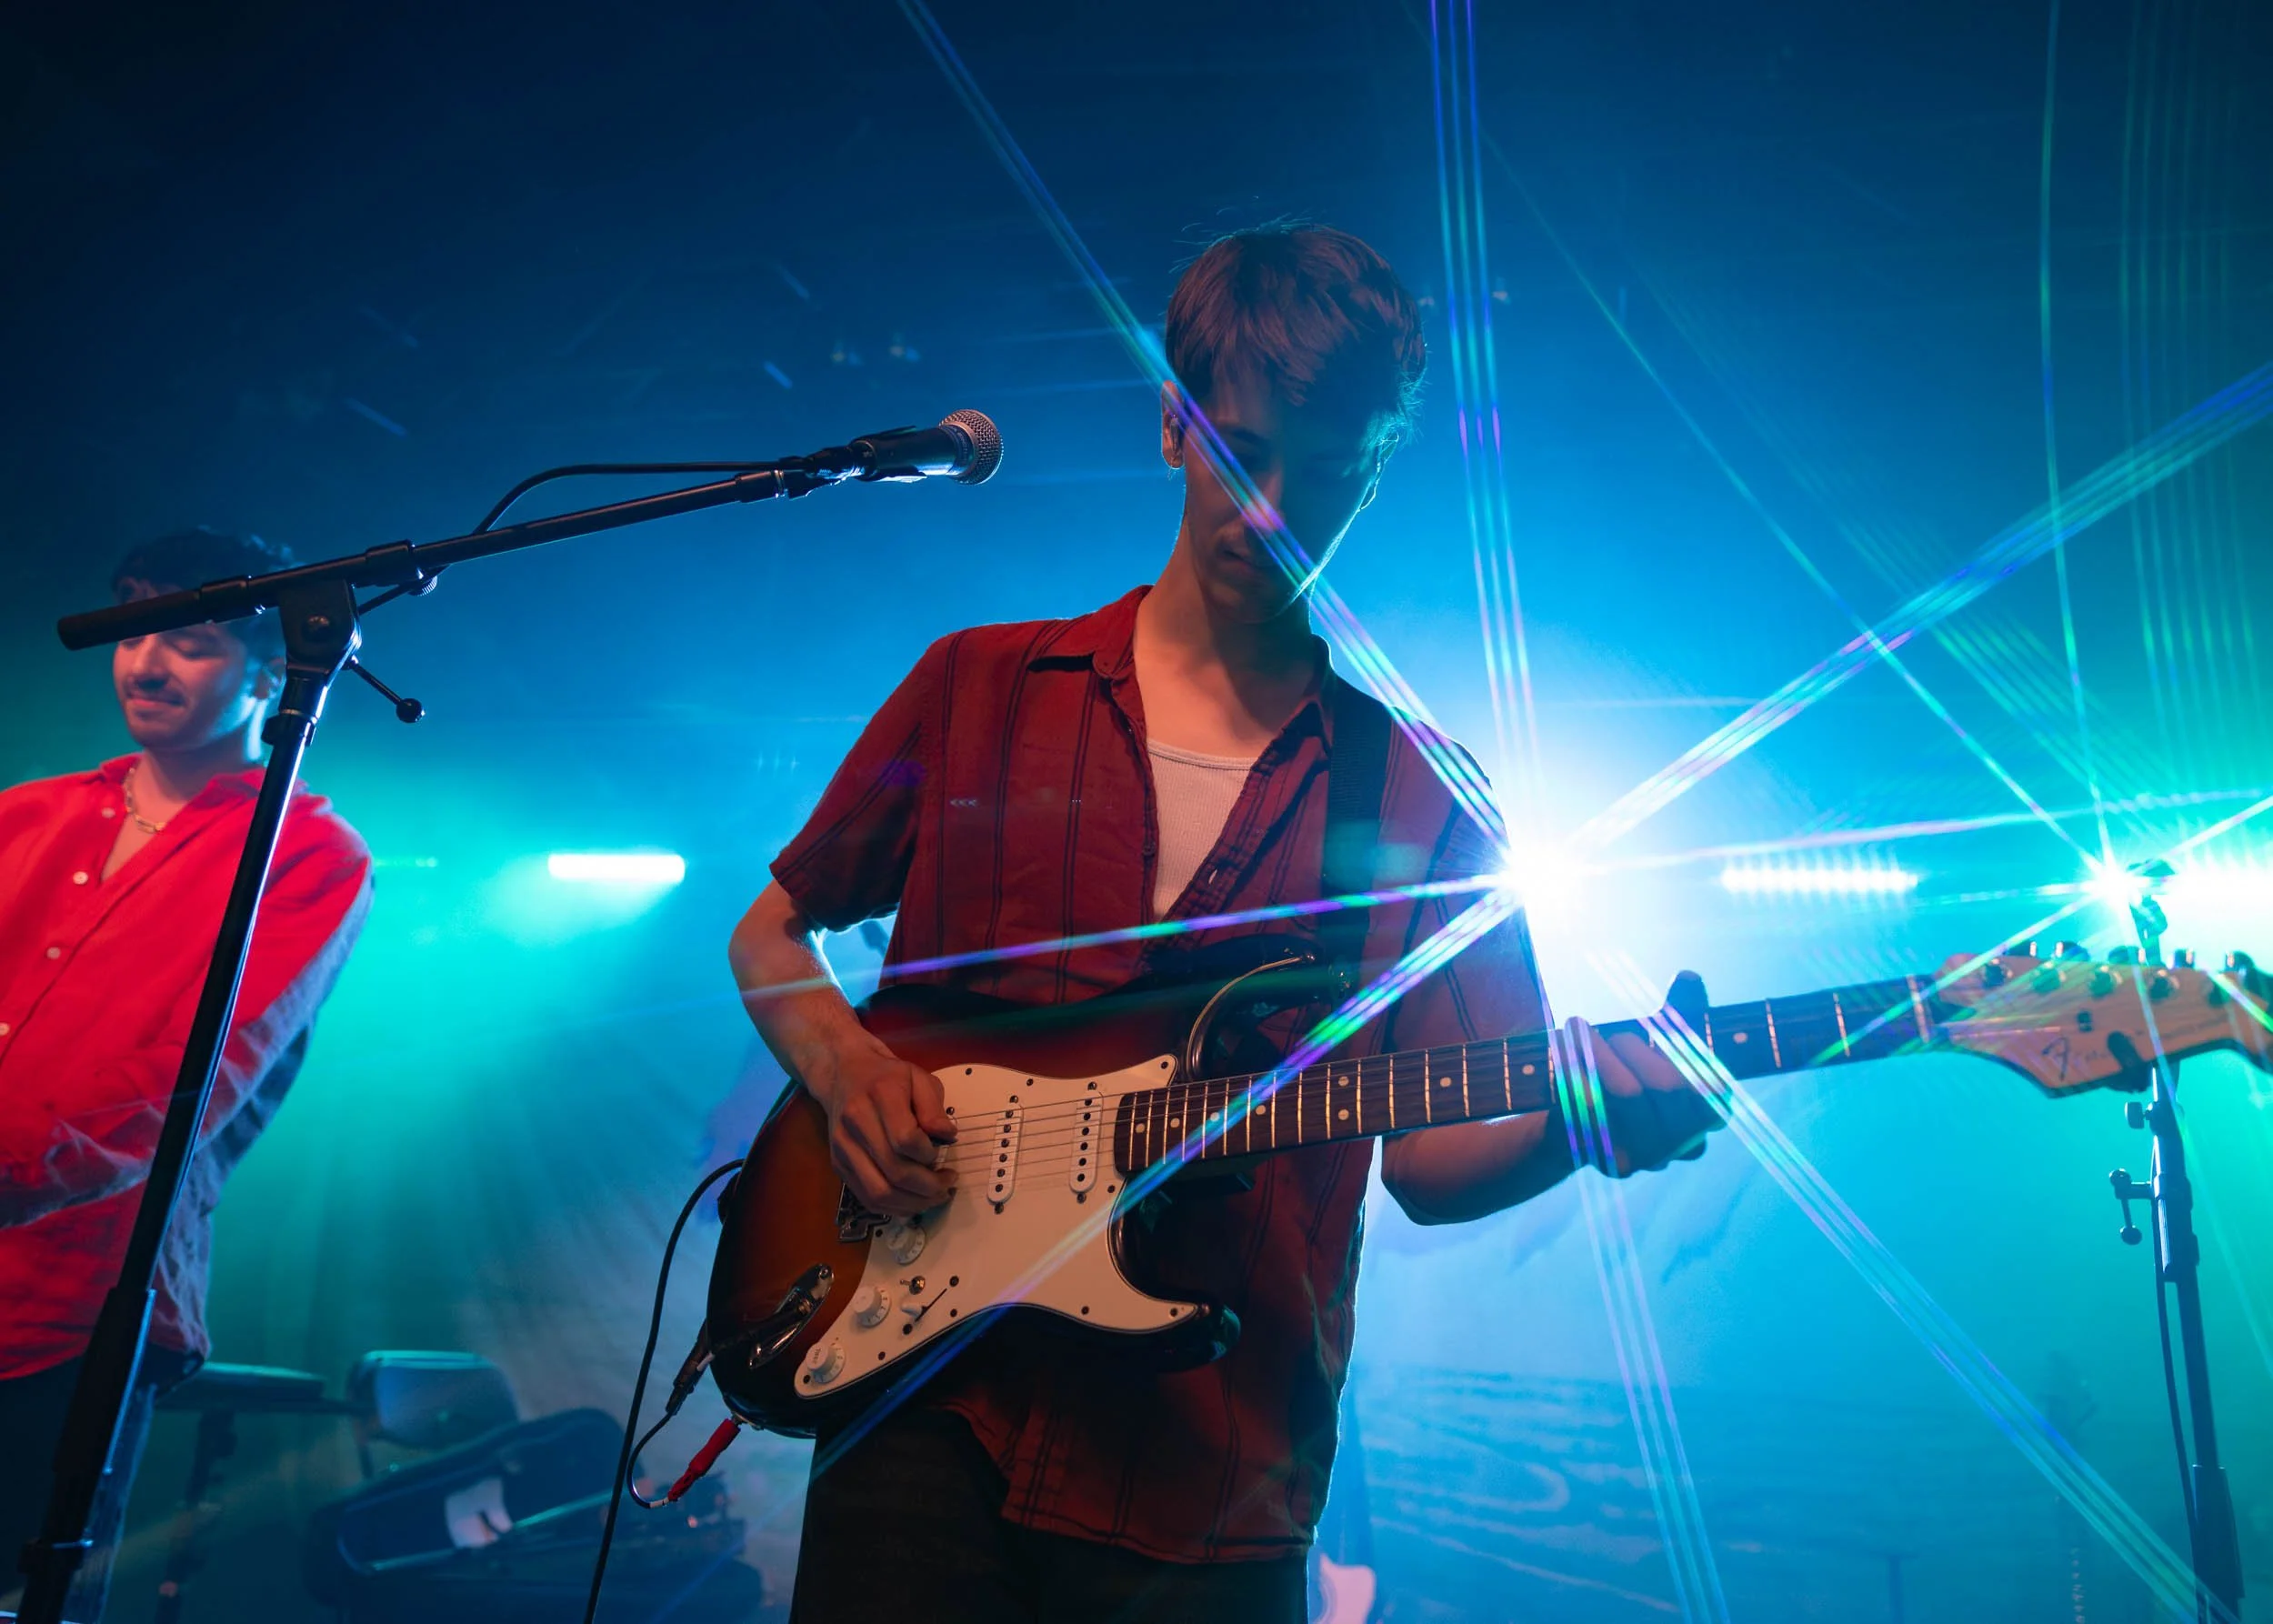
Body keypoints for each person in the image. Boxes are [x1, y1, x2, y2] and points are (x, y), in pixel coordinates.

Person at [728, 225, 1718, 1623]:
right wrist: (848, 1070)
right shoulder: (980, 688)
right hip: (928, 1422)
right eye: (1247, 454)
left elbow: (1434, 1160)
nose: (1277, 511)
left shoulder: (1427, 797)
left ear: (1379, 461)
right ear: (1173, 424)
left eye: (1330, 471)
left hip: (1212, 1484)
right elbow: (771, 935)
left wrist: (1595, 1121)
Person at [0, 528, 373, 1619]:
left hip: (83, 1298)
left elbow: (188, 1081)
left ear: (271, 671)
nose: (145, 661)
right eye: (132, 627)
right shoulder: (27, 815)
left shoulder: (307, 851)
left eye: (193, 640)